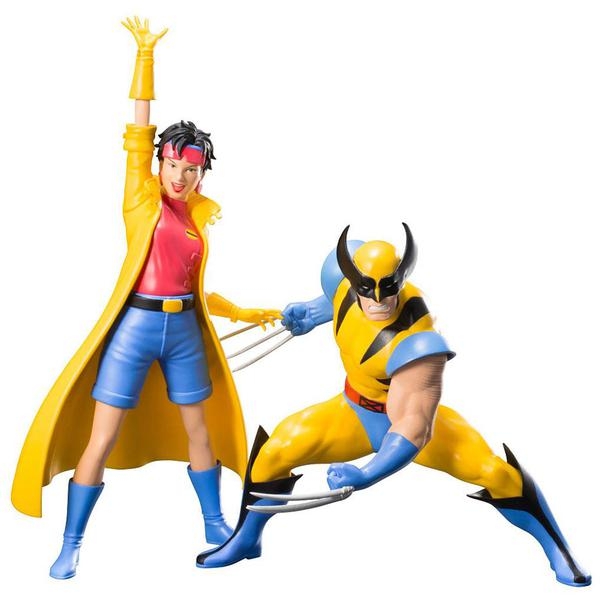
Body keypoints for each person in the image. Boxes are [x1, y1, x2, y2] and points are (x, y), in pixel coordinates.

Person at [11, 17, 280, 580]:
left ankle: (214, 523)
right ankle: (71, 542)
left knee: (199, 431)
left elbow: (194, 287)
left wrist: (245, 312)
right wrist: (144, 56)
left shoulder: (197, 222)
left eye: (191, 169)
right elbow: (138, 129)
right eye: (172, 164)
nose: (179, 176)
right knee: (101, 437)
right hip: (134, 327)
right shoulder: (141, 201)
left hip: (184, 332)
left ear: (202, 175)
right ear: (160, 164)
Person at [196, 224, 591, 588]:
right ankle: (246, 539)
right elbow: (335, 300)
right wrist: (311, 313)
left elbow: (413, 426)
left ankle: (559, 549)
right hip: (351, 412)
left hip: (404, 425)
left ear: (401, 279)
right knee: (274, 451)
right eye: (366, 288)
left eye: (389, 287)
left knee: (495, 472)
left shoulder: (420, 341)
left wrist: (367, 473)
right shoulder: (342, 280)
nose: (379, 299)